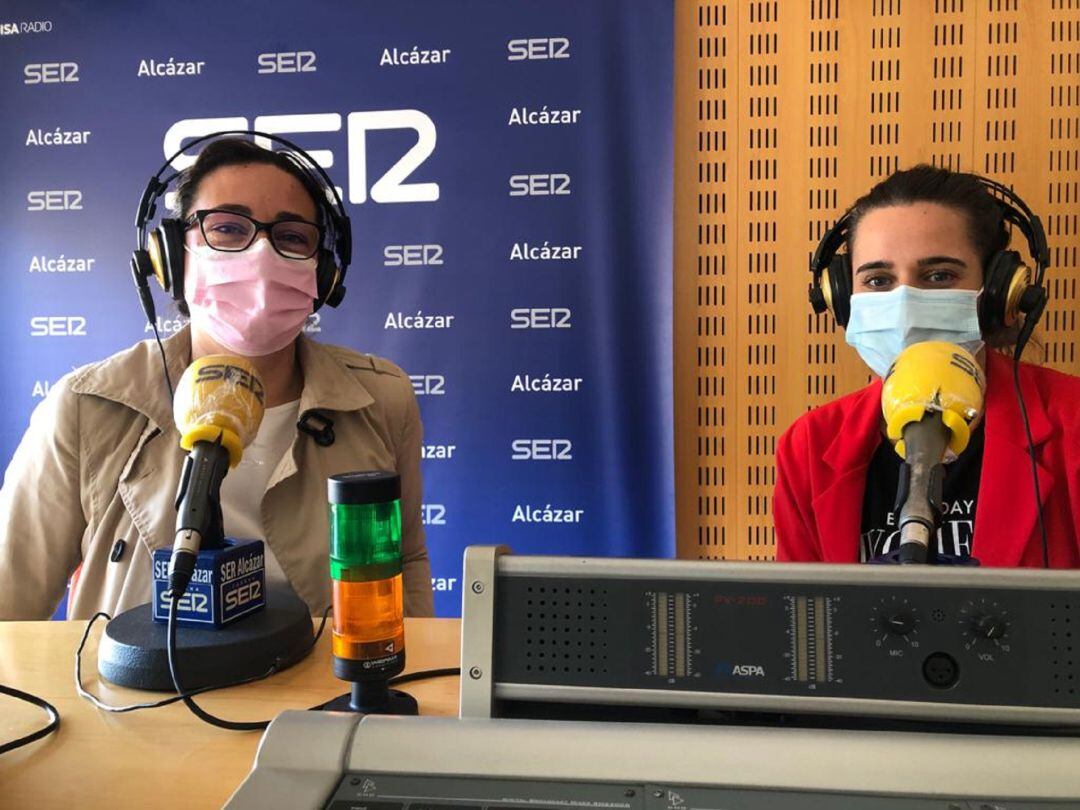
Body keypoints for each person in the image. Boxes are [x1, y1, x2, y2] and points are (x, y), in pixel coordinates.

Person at [0, 136, 434, 619]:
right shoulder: (87, 406)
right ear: (171, 254)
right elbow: (9, 600)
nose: (261, 254)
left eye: (291, 236)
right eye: (227, 228)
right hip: (138, 692)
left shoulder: (380, 398)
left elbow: (406, 562)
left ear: (324, 272)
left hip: (320, 693)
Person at [775, 164, 1080, 567]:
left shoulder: (1072, 421)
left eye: (939, 275)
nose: (906, 303)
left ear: (999, 293)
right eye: (879, 281)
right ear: (844, 298)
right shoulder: (809, 446)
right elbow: (802, 620)